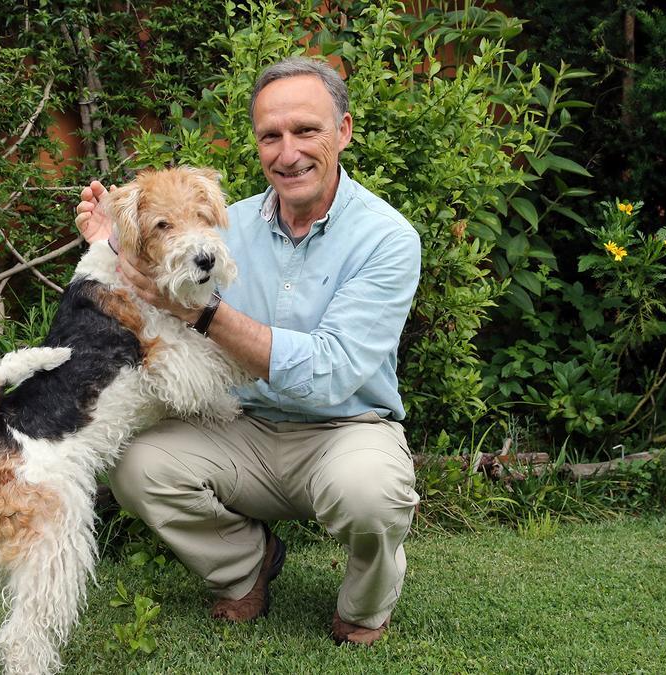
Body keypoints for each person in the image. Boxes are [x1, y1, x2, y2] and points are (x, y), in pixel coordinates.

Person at [73, 56, 421, 646]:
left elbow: (329, 374)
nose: (288, 153)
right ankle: (244, 566)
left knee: (371, 493)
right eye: (271, 136)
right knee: (137, 468)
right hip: (244, 426)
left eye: (306, 131)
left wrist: (206, 314)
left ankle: (364, 607)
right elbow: (154, 277)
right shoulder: (221, 223)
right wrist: (113, 240)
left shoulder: (387, 239)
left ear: (344, 131)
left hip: (346, 428)